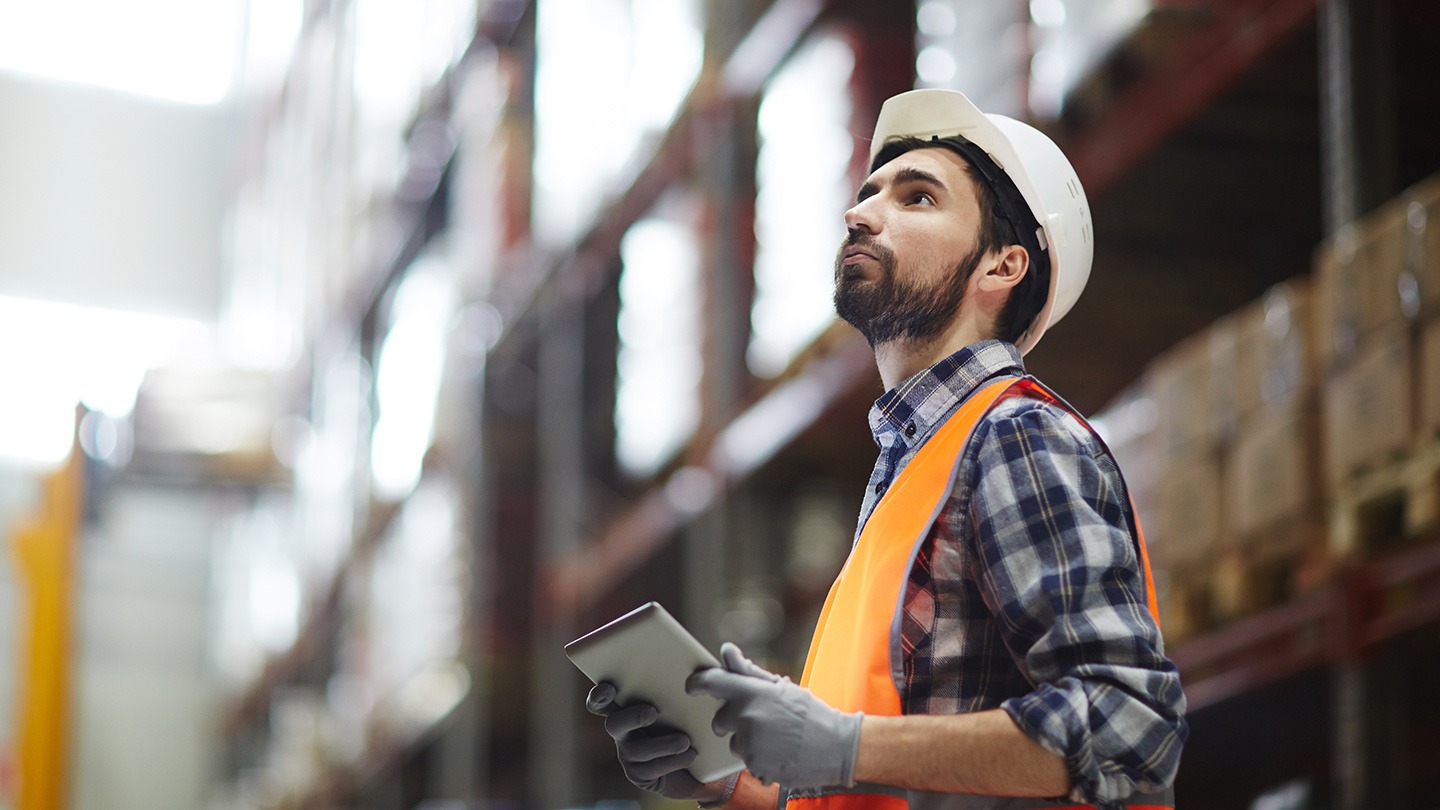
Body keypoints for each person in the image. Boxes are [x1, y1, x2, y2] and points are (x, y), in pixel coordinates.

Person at [585, 88, 1188, 810]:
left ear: (1002, 266)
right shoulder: (909, 479)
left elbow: (1130, 727)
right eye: (869, 193)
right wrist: (734, 784)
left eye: (918, 198)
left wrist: (845, 744)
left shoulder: (1014, 436)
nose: (860, 213)